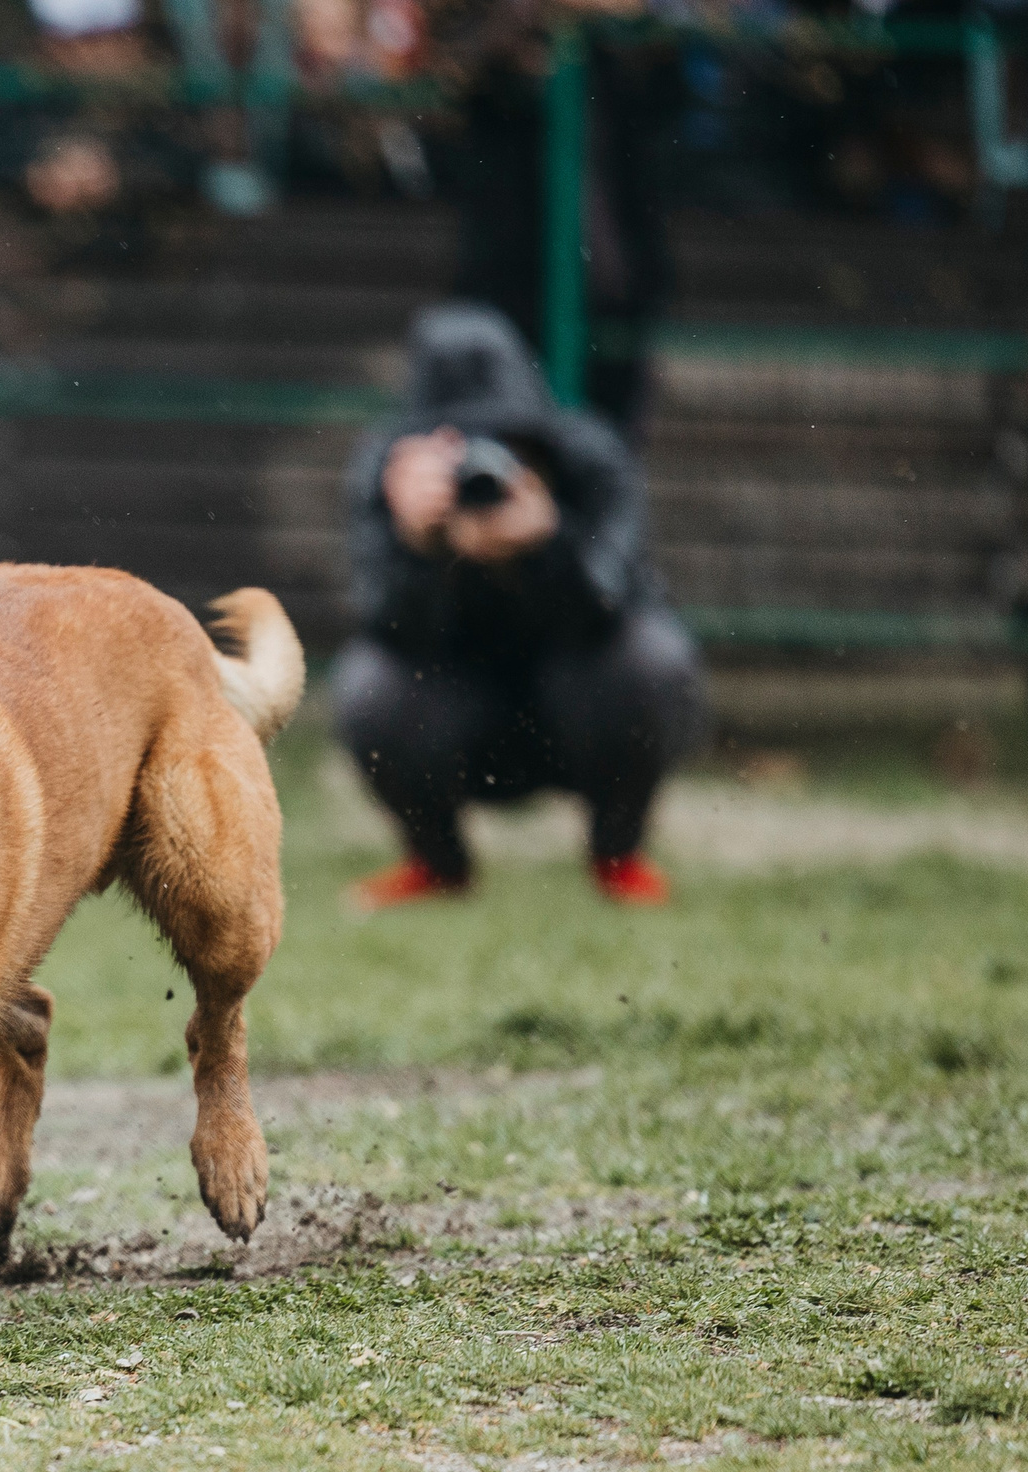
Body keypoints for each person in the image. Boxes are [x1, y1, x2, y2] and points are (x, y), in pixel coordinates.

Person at [334, 303, 704, 909]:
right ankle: (437, 862)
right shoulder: (389, 475)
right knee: (368, 686)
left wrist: (547, 543)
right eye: (461, 447)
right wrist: (420, 549)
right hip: (456, 706)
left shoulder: (591, 459)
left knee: (653, 659)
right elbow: (381, 625)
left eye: (502, 440)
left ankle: (618, 852)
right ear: (426, 446)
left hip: (579, 699)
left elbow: (618, 603)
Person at [424, 0, 674, 440]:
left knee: (604, 448)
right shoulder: (495, 61)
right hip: (513, 294)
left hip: (609, 293)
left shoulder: (608, 60)